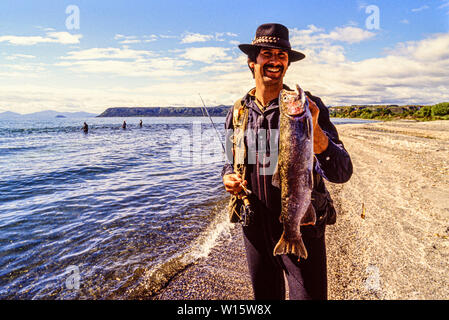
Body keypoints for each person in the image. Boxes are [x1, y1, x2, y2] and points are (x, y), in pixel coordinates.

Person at [221, 23, 353, 300]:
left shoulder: (309, 107)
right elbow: (230, 160)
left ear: (287, 64)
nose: (275, 60)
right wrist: (228, 177)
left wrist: (313, 130)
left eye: (281, 55)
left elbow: (341, 172)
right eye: (266, 53)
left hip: (302, 224)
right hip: (254, 226)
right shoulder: (238, 110)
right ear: (251, 62)